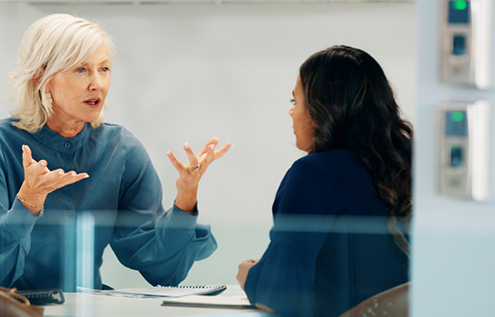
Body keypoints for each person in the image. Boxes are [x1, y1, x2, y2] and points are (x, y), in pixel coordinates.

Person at [0, 13, 232, 291]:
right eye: (80, 70)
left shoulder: (121, 149)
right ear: (41, 78)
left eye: (104, 69)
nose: (97, 83)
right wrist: (28, 201)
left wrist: (186, 197)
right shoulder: (4, 145)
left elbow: (160, 267)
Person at [236, 46, 412, 317]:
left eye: (295, 101)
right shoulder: (409, 167)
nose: (291, 113)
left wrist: (250, 276)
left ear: (323, 108)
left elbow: (278, 296)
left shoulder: (314, 174)